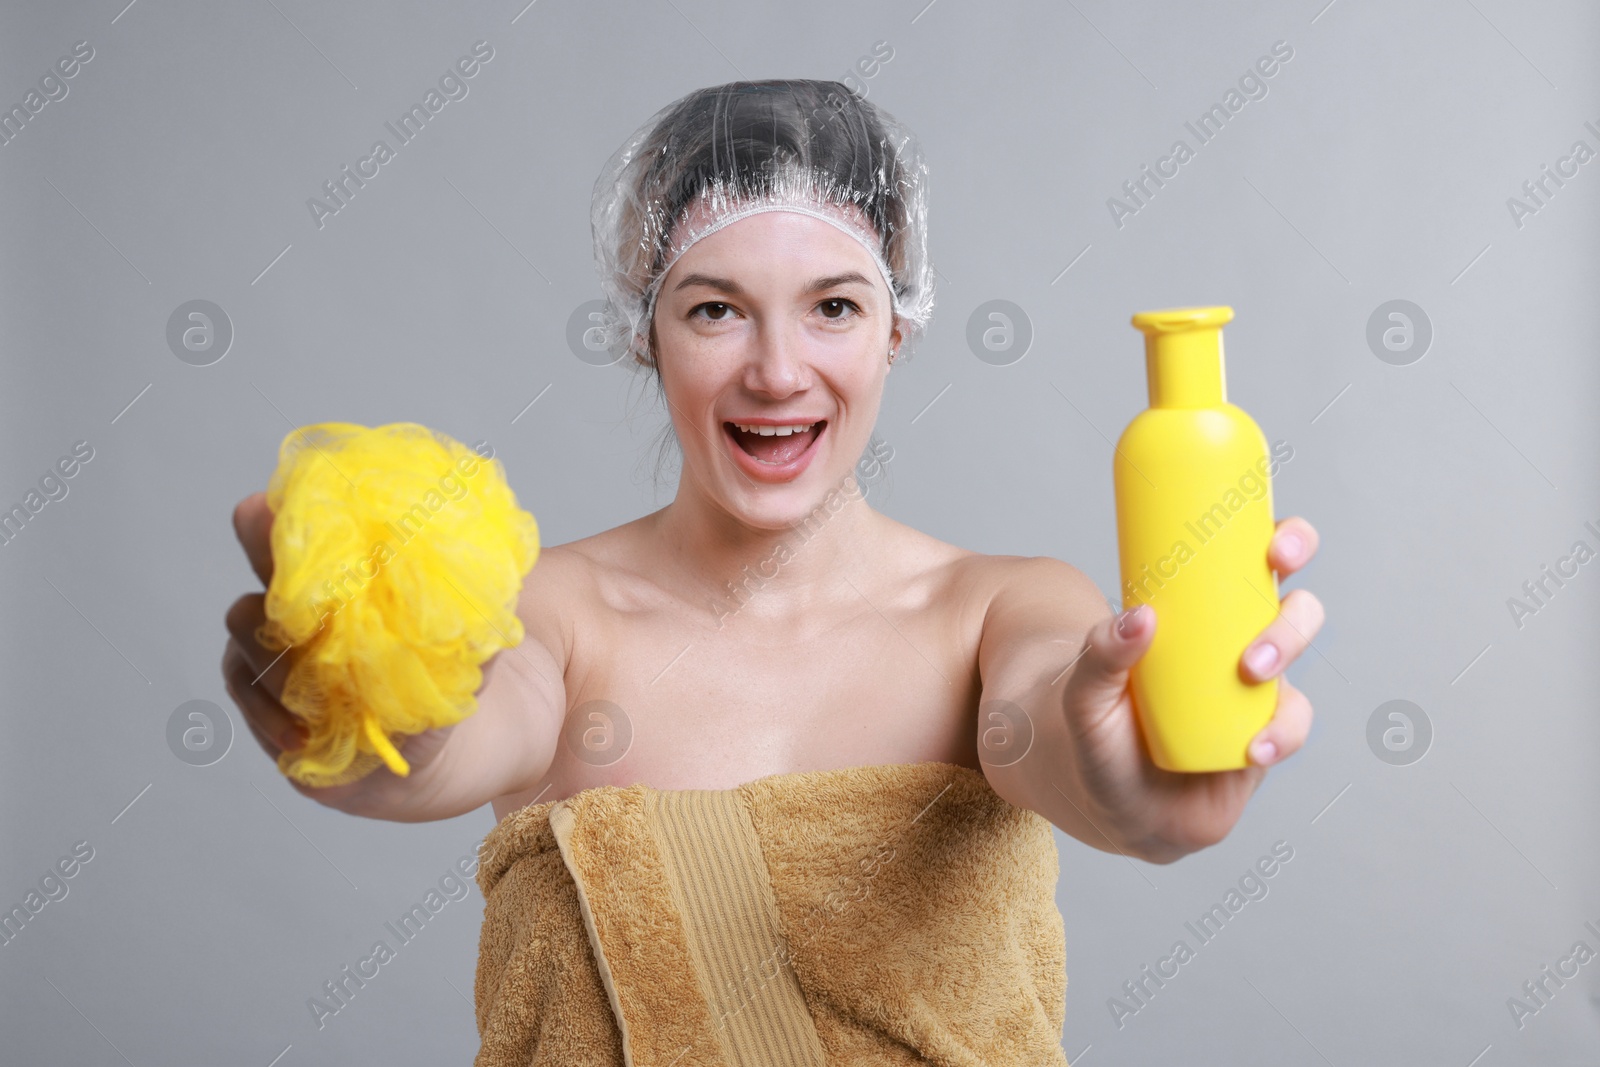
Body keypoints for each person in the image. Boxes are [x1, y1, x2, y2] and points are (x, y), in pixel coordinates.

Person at [221, 79, 1323, 1061]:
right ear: (646, 331)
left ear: (898, 326)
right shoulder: (553, 612)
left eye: (834, 305)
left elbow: (1065, 739)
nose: (777, 370)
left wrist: (1146, 787)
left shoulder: (998, 612)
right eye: (714, 309)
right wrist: (371, 708)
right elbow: (450, 742)